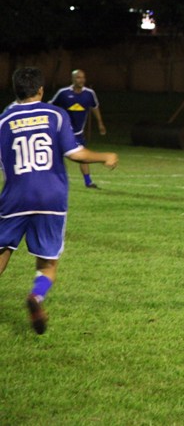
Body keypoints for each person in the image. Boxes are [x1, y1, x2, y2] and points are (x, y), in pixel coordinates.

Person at [0, 67, 118, 334]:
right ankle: (36, 296)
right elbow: (75, 153)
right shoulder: (55, 114)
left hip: (15, 197)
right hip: (51, 197)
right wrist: (104, 156)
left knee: (2, 251)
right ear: (41, 90)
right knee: (47, 262)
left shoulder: (4, 120)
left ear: (15, 90)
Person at [49, 69, 107, 188]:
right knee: (55, 155)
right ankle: (52, 180)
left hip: (78, 132)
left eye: (83, 77)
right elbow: (50, 105)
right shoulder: (63, 93)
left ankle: (88, 182)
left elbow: (95, 107)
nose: (81, 80)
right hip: (62, 131)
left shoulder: (89, 93)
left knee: (82, 156)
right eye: (78, 77)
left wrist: (100, 123)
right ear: (72, 79)